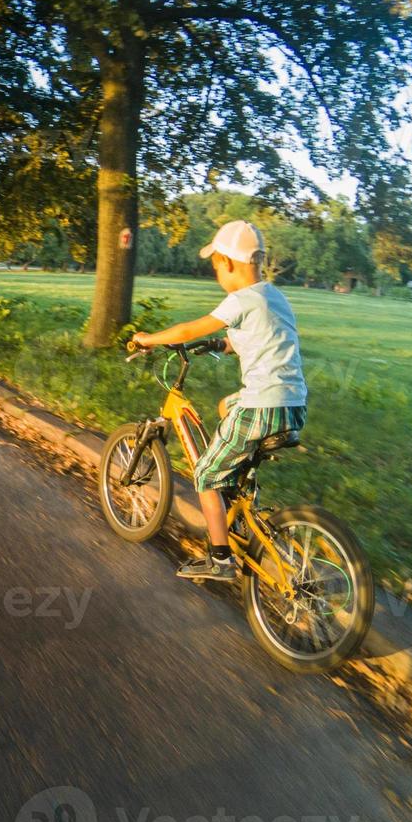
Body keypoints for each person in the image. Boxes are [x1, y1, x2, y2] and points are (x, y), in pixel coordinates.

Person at [133, 220, 307, 582]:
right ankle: (238, 494)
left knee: (205, 475)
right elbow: (260, 335)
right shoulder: (273, 295)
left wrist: (148, 339)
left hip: (261, 405)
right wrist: (224, 344)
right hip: (292, 405)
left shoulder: (239, 299)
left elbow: (186, 331)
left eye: (215, 266)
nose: (216, 274)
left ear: (227, 262)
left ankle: (220, 558)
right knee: (227, 407)